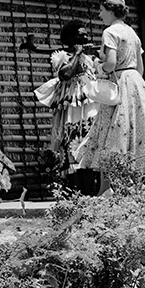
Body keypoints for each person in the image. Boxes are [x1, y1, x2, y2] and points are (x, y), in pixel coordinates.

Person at [74, 0, 145, 203]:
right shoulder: (132, 34)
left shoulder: (110, 32)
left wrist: (98, 66)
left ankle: (106, 188)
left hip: (121, 82)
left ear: (110, 10)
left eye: (102, 10)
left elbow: (111, 64)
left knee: (108, 130)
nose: (99, 14)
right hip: (135, 81)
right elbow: (140, 67)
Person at [33, 20, 99, 183]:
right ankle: (75, 184)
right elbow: (66, 74)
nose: (85, 36)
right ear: (70, 38)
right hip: (72, 109)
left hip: (89, 106)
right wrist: (77, 54)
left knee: (90, 140)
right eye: (80, 34)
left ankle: (91, 182)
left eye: (85, 34)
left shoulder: (88, 58)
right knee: (73, 141)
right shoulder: (63, 57)